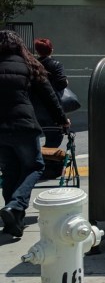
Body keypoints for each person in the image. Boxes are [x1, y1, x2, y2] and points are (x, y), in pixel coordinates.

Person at [0, 30, 70, 238]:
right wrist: (61, 119)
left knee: (10, 171)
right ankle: (15, 205)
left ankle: (13, 221)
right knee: (35, 166)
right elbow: (49, 95)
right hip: (23, 125)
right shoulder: (29, 65)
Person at [33, 38, 68, 148]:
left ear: (37, 51)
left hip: (34, 108)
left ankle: (39, 158)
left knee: (34, 138)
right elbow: (61, 83)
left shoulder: (32, 65)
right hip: (52, 108)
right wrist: (66, 81)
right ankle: (47, 160)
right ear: (51, 50)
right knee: (55, 137)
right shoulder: (56, 64)